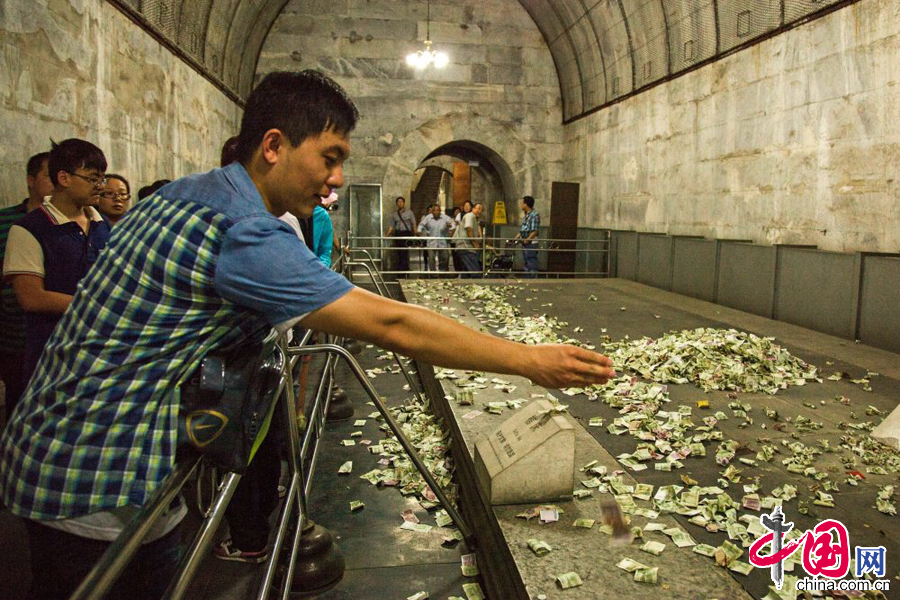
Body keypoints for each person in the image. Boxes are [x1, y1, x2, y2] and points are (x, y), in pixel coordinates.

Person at [0, 70, 614, 600]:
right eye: (331, 156)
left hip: (61, 449)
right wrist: (528, 360)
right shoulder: (242, 230)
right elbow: (389, 320)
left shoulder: (195, 193)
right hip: (98, 476)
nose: (338, 178)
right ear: (273, 145)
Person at [2, 138, 111, 390]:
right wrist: (97, 304)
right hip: (52, 353)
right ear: (64, 178)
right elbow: (31, 297)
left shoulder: (101, 224)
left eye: (101, 178)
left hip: (98, 350)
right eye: (93, 178)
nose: (100, 186)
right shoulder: (28, 229)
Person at [0, 152, 53, 420]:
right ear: (31, 180)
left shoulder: (83, 223)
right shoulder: (7, 221)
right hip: (14, 334)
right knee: (18, 403)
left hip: (55, 333)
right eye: (49, 174)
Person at [417, 203, 455, 274]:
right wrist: (419, 231)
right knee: (431, 258)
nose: (436, 212)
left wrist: (450, 233)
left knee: (445, 257)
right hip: (432, 241)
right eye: (434, 211)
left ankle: (442, 271)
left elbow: (453, 225)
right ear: (432, 211)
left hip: (442, 241)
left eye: (438, 210)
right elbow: (421, 224)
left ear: (440, 211)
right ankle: (433, 274)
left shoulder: (445, 217)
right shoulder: (428, 218)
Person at [384, 196, 416, 274]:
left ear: (404, 203)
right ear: (396, 204)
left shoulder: (409, 213)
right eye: (398, 202)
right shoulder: (394, 215)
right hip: (398, 234)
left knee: (405, 252)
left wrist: (415, 233)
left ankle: (405, 269)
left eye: (401, 202)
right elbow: (392, 226)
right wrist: (387, 234)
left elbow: (413, 223)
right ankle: (400, 269)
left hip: (406, 234)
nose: (400, 203)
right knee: (398, 252)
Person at [453, 202, 484, 277]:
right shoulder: (470, 216)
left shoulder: (475, 219)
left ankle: (464, 285)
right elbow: (469, 229)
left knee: (466, 272)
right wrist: (474, 243)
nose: (479, 211)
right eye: (478, 209)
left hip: (467, 247)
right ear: (473, 209)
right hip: (467, 247)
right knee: (475, 272)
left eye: (481, 210)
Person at [514, 195, 541, 278]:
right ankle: (527, 277)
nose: (521, 205)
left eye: (522, 203)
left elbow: (535, 230)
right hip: (525, 241)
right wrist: (517, 237)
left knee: (531, 260)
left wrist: (528, 239)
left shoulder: (534, 215)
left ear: (526, 204)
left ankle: (532, 278)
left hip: (531, 242)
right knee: (526, 261)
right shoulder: (527, 215)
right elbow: (524, 228)